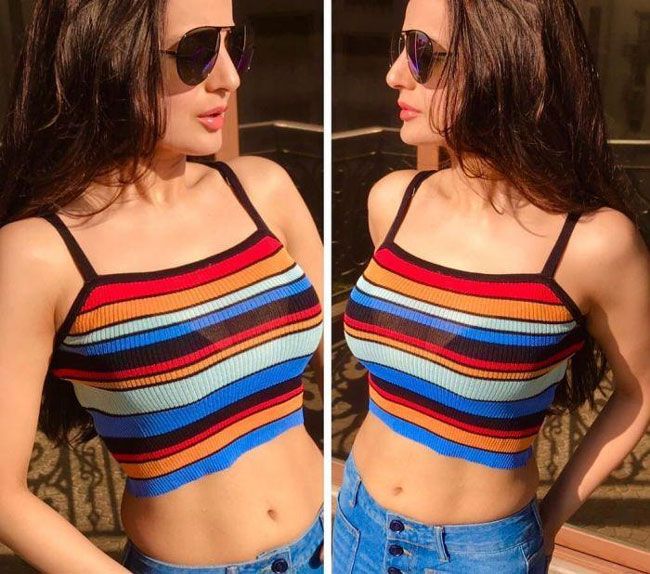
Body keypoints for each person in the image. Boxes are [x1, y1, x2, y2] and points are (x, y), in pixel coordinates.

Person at [0, 0, 324, 572]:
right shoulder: (40, 253)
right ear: (110, 55)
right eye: (198, 50)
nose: (228, 78)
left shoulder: (262, 191)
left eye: (234, 45)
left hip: (338, 539)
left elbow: (374, 373)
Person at [333, 0, 650, 572]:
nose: (395, 74)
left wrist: (548, 522)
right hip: (358, 524)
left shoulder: (591, 244)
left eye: (422, 53)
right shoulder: (394, 201)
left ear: (503, 60)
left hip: (480, 554)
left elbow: (640, 392)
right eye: (399, 47)